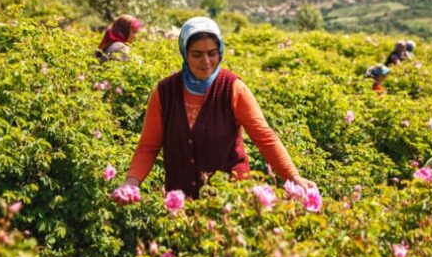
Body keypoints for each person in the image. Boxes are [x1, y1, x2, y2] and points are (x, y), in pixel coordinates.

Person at [119, 17, 316, 196]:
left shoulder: (232, 88)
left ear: (220, 51)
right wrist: (131, 182)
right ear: (185, 53)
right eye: (197, 54)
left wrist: (293, 176)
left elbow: (265, 138)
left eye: (212, 53)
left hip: (231, 200)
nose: (206, 62)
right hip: (182, 204)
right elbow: (148, 147)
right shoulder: (165, 92)